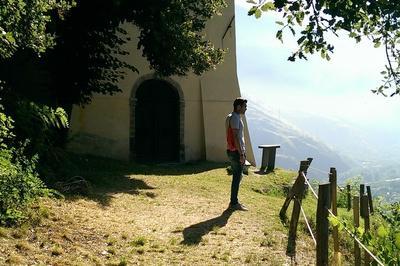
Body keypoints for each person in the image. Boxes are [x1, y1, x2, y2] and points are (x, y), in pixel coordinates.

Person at [225, 97, 248, 211]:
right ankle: (234, 203)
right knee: (237, 177)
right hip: (236, 152)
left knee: (237, 176)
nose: (246, 109)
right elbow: (235, 137)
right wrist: (241, 154)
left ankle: (234, 201)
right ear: (238, 107)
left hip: (232, 150)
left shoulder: (232, 117)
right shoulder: (234, 118)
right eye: (244, 106)